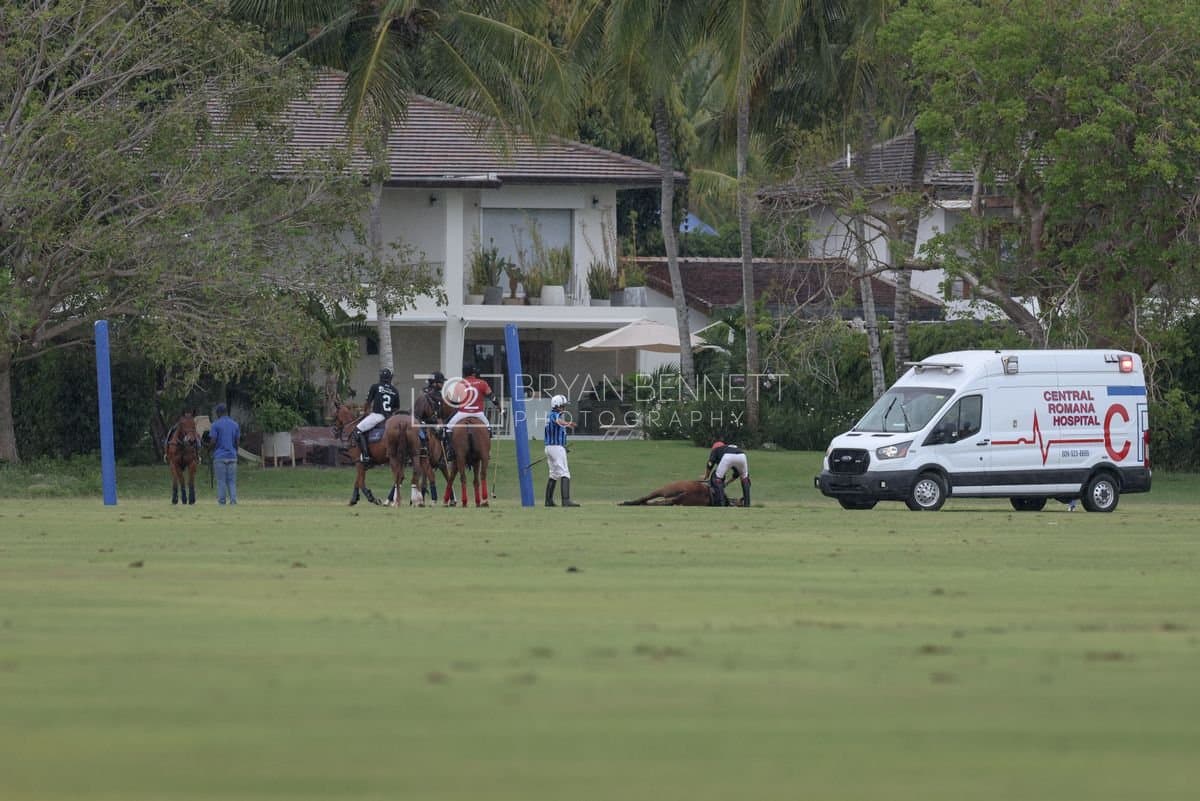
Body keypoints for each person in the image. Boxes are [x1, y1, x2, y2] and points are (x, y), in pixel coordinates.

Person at [355, 367, 401, 463]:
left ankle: (366, 456)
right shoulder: (395, 390)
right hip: (389, 417)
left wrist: (364, 412)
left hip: (377, 416)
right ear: (390, 378)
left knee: (358, 431)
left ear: (380, 377)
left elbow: (368, 402)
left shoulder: (375, 386)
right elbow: (397, 407)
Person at [444, 364, 501, 436]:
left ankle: (449, 446)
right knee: (488, 428)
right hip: (479, 413)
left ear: (464, 373)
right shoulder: (482, 383)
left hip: (462, 413)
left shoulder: (459, 384)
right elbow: (492, 397)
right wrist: (498, 406)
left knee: (448, 427)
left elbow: (454, 402)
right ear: (473, 373)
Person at [543, 394, 579, 507]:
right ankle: (566, 500)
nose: (564, 408)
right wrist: (568, 424)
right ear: (557, 406)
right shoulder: (554, 415)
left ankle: (548, 501)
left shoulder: (551, 415)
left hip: (550, 447)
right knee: (565, 473)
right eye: (563, 406)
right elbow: (558, 422)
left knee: (553, 474)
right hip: (556, 447)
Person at [209, 403, 241, 505]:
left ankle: (222, 502)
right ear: (226, 412)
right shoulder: (235, 424)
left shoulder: (215, 425)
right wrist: (235, 452)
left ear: (218, 413)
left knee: (221, 481)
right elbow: (237, 441)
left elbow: (213, 441)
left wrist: (209, 449)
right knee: (231, 481)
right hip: (232, 456)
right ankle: (233, 501)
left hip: (219, 457)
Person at [703, 440, 751, 507]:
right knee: (745, 479)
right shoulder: (727, 448)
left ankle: (721, 503)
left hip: (728, 456)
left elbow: (710, 464)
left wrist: (706, 476)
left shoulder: (716, 449)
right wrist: (727, 483)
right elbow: (737, 474)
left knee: (717, 479)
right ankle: (747, 504)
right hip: (742, 455)